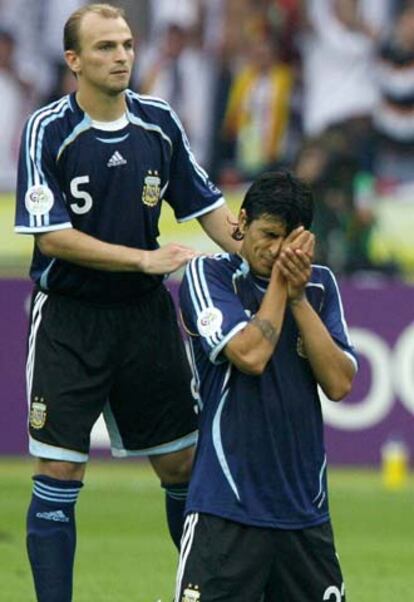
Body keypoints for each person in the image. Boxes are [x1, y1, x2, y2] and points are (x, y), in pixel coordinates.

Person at [14, 4, 240, 602]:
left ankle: (202, 592)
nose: (121, 57)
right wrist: (144, 258)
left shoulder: (159, 123)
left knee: (182, 468)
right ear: (74, 61)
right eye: (106, 47)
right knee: (59, 471)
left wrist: (262, 250)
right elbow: (50, 235)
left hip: (144, 321)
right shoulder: (48, 129)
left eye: (127, 45)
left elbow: (208, 207)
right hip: (69, 318)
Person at [176, 171, 358, 601]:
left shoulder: (319, 287)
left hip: (303, 513)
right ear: (242, 221)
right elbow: (251, 355)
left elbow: (339, 382)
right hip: (226, 507)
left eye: (287, 239)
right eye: (268, 234)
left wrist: (298, 298)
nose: (276, 250)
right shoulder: (209, 276)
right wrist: (283, 285)